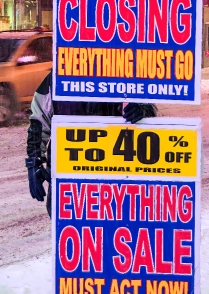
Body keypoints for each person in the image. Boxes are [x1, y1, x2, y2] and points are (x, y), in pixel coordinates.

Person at [26, 69, 158, 217]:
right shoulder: (59, 75)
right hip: (67, 178)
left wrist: (142, 109)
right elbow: (38, 121)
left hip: (111, 178)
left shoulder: (121, 71)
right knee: (69, 234)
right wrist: (34, 161)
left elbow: (146, 113)